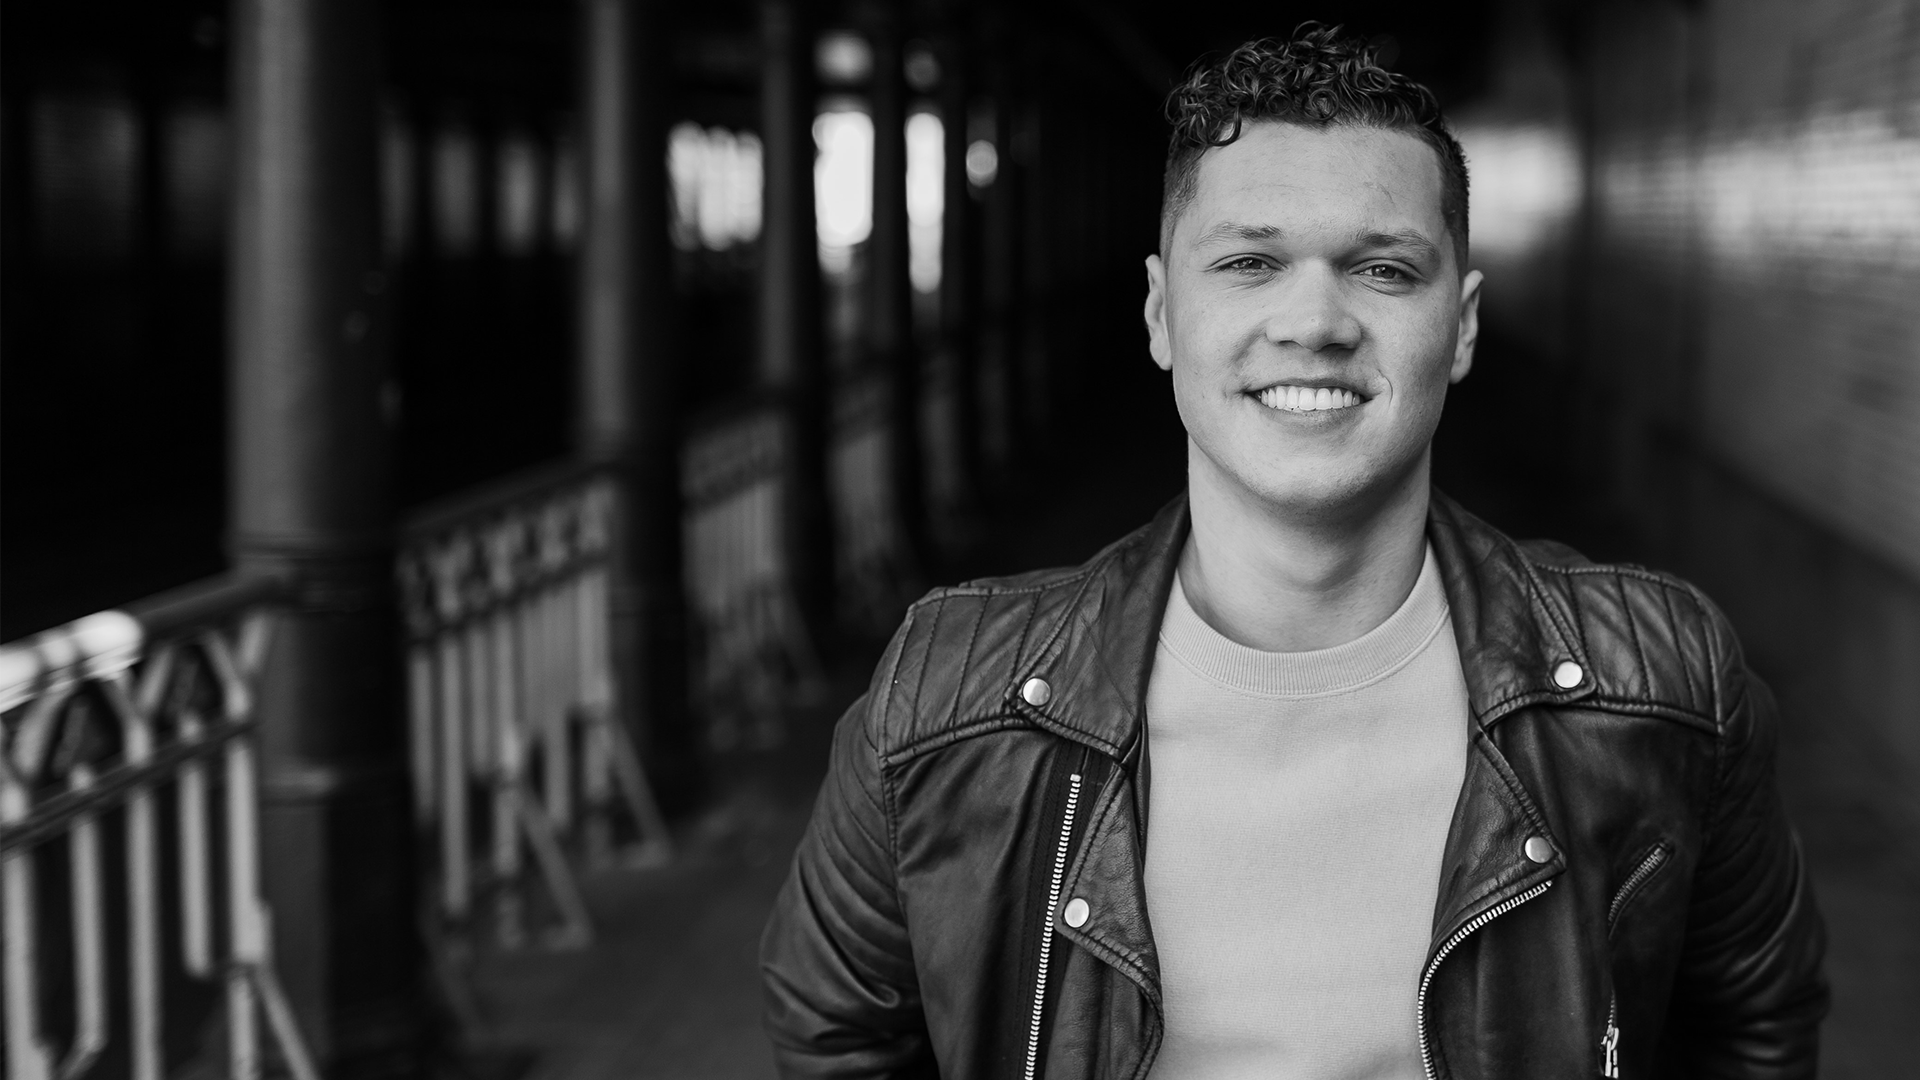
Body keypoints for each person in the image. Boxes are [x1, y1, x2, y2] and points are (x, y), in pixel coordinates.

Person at [760, 25, 1827, 1080]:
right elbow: (833, 1033)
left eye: (1384, 270)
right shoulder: (946, 703)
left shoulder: (1660, 686)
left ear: (1461, 326)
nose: (1314, 321)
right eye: (1249, 262)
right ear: (1161, 313)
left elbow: (1753, 1023)